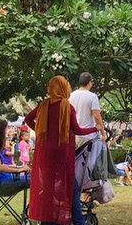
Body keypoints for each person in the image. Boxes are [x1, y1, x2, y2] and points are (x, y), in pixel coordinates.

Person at [25, 75, 100, 225]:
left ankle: (48, 220)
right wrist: (95, 128)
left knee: (48, 188)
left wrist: (41, 132)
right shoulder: (67, 107)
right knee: (70, 186)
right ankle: (78, 221)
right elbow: (77, 130)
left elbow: (28, 119)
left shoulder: (44, 105)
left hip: (45, 155)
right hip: (62, 154)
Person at [0, 119, 30, 190]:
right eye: (6, 129)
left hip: (4, 180)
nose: (7, 132)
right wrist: (19, 170)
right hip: (3, 182)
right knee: (35, 179)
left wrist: (19, 167)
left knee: (32, 176)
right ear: (1, 131)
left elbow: (1, 165)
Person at [69, 72, 106, 147]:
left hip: (73, 135)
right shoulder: (92, 97)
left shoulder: (71, 96)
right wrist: (103, 133)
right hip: (88, 136)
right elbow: (96, 116)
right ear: (89, 83)